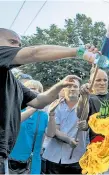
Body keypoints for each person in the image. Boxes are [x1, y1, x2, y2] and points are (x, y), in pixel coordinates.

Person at [0, 28, 98, 174]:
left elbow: (39, 101)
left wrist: (60, 85)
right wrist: (78, 51)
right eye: (12, 42)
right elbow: (33, 52)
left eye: (19, 44)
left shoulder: (12, 81)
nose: (17, 47)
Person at [8, 80, 58, 174]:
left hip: (32, 162)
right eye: (31, 89)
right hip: (11, 160)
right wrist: (35, 107)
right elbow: (14, 121)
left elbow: (51, 134)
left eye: (38, 90)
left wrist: (51, 114)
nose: (35, 91)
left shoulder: (43, 115)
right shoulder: (16, 109)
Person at [42, 79, 88, 174]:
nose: (72, 89)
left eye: (75, 86)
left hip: (77, 158)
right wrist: (68, 139)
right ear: (63, 89)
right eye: (68, 86)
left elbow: (89, 125)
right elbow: (53, 131)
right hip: (54, 157)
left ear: (79, 89)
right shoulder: (55, 105)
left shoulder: (87, 105)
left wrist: (85, 125)